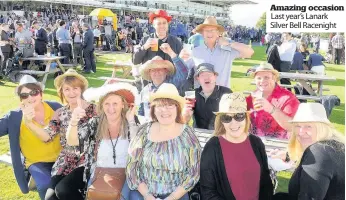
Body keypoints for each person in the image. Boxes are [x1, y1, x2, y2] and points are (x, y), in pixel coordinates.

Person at [66, 82, 140, 200]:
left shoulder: (131, 119)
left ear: (122, 104)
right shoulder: (96, 122)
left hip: (127, 174)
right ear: (102, 105)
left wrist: (131, 122)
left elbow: (138, 148)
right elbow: (73, 142)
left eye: (115, 103)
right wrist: (73, 121)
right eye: (107, 103)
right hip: (100, 173)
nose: (111, 108)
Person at [127, 83, 201, 200]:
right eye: (160, 105)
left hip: (177, 195)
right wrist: (147, 195)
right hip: (143, 193)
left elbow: (193, 173)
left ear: (178, 108)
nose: (164, 110)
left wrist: (171, 198)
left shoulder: (188, 135)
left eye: (170, 105)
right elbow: (132, 166)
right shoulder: (144, 131)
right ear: (153, 110)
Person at [200, 92, 273, 200]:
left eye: (239, 116)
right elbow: (207, 191)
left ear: (246, 117)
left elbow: (266, 182)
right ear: (221, 121)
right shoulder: (212, 148)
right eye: (226, 118)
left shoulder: (256, 143)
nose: (233, 123)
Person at [0, 75, 62, 200]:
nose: (30, 97)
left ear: (41, 94)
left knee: (70, 186)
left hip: (62, 158)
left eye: (34, 92)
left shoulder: (55, 107)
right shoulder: (14, 116)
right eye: (24, 95)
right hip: (37, 162)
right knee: (45, 186)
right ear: (21, 99)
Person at [273, 103, 345, 200]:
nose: (301, 132)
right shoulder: (336, 146)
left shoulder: (319, 152)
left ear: (321, 127)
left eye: (308, 126)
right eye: (298, 126)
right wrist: (288, 155)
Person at [190, 16, 254, 89]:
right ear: (202, 33)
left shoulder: (227, 49)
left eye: (213, 30)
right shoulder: (194, 51)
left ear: (218, 33)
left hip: (223, 96)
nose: (209, 33)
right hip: (201, 96)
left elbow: (250, 52)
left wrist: (229, 44)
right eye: (207, 30)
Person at [246, 62, 300, 139]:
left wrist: (272, 109)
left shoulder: (288, 98)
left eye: (266, 77)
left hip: (277, 145)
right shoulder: (254, 95)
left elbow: (292, 126)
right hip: (254, 142)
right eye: (259, 78)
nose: (262, 81)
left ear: (274, 78)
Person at [182, 63, 232, 130]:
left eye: (209, 74)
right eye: (202, 75)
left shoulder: (226, 93)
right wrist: (186, 111)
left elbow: (233, 117)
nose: (206, 78)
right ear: (198, 78)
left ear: (215, 76)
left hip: (220, 134)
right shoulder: (193, 95)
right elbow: (184, 121)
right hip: (199, 134)